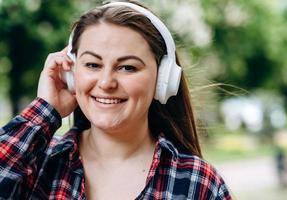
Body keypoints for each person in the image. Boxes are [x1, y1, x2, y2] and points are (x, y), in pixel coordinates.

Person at [0, 1, 232, 199]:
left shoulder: (198, 183)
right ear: (71, 74)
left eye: (127, 67)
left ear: (163, 80)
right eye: (92, 65)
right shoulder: (35, 164)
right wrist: (44, 110)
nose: (106, 83)